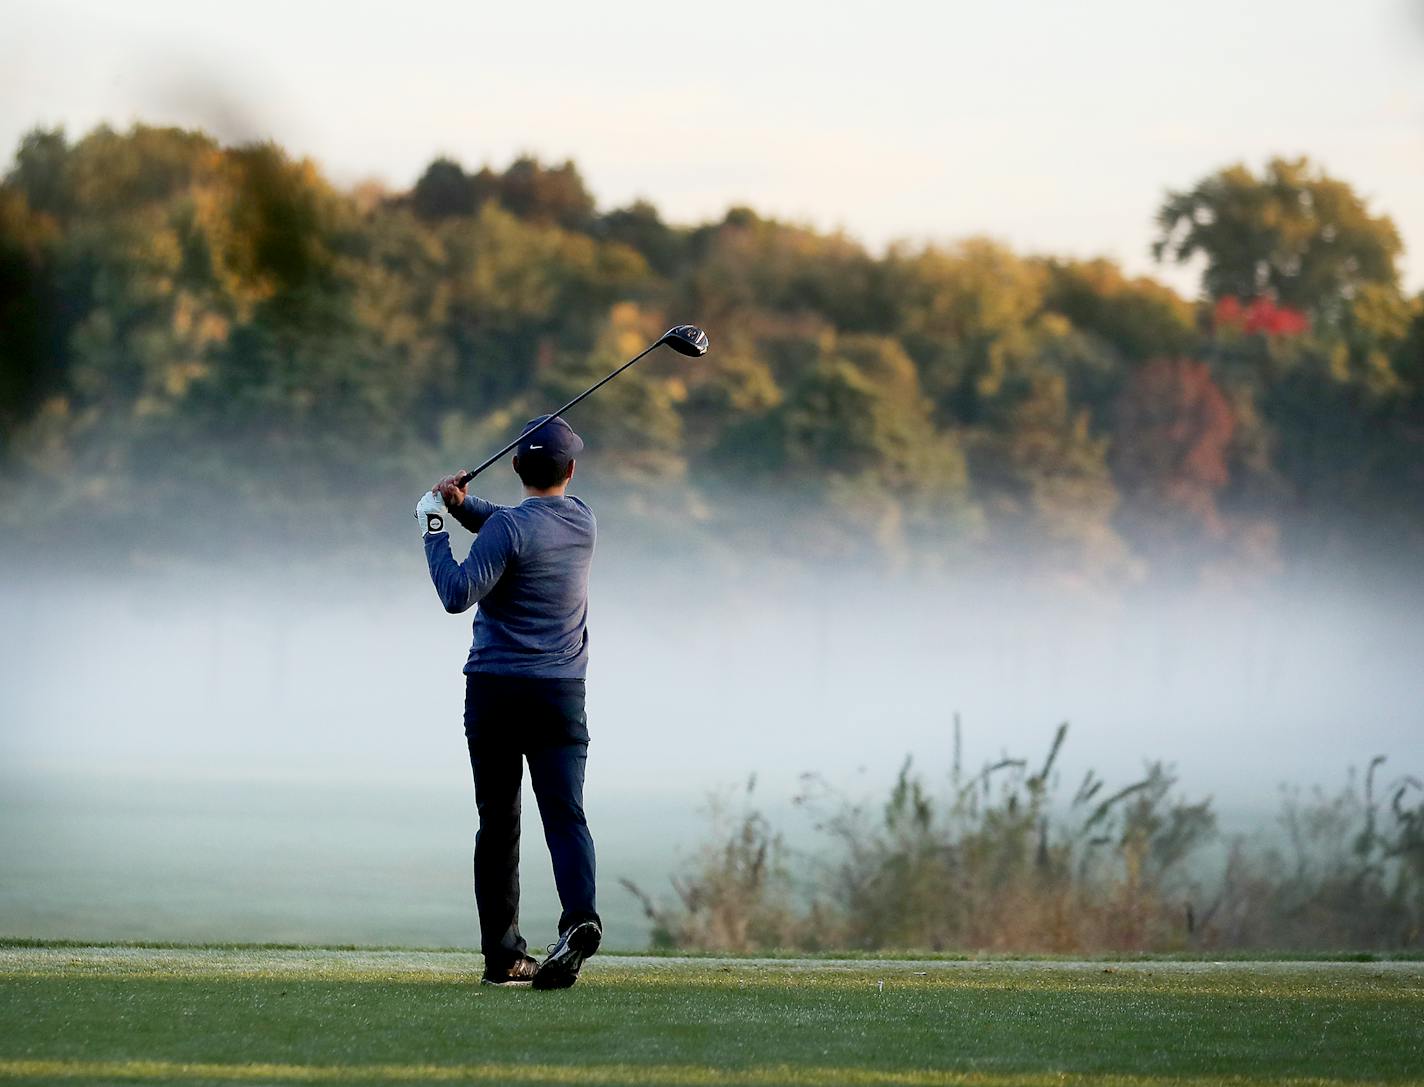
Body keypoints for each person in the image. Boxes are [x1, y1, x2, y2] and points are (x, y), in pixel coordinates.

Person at [415, 415, 601, 990]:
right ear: (570, 470)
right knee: (566, 816)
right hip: (560, 695)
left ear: (516, 466)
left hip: (496, 691)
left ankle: (503, 956)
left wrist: (434, 526)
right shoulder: (582, 522)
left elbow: (456, 594)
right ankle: (579, 920)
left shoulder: (510, 531)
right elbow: (513, 527)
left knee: (499, 825)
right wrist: (465, 506)